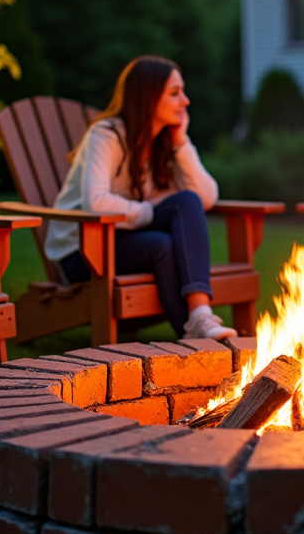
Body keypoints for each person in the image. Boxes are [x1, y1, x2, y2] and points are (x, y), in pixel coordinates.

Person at [44, 55, 237, 341]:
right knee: (165, 235)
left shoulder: (163, 143)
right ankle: (197, 332)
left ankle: (199, 317)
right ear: (147, 98)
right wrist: (150, 213)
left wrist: (181, 142)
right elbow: (96, 202)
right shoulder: (107, 135)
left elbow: (206, 197)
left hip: (125, 239)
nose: (185, 101)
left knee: (181, 211)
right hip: (83, 251)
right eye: (174, 93)